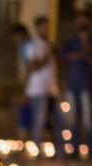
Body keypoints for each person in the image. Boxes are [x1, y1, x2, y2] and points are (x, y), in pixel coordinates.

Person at [62, 9, 92, 157]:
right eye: (79, 19)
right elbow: (67, 57)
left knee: (88, 119)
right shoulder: (71, 42)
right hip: (72, 85)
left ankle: (91, 150)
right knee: (72, 119)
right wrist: (82, 53)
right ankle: (75, 150)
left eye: (84, 19)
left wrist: (83, 53)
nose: (81, 22)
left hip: (87, 85)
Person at [25, 16, 64, 156]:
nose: (46, 29)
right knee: (39, 122)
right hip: (38, 89)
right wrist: (47, 58)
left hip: (52, 89)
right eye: (43, 26)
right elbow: (32, 66)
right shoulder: (32, 45)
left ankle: (60, 152)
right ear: (37, 28)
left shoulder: (50, 45)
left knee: (58, 121)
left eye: (47, 26)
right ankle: (37, 152)